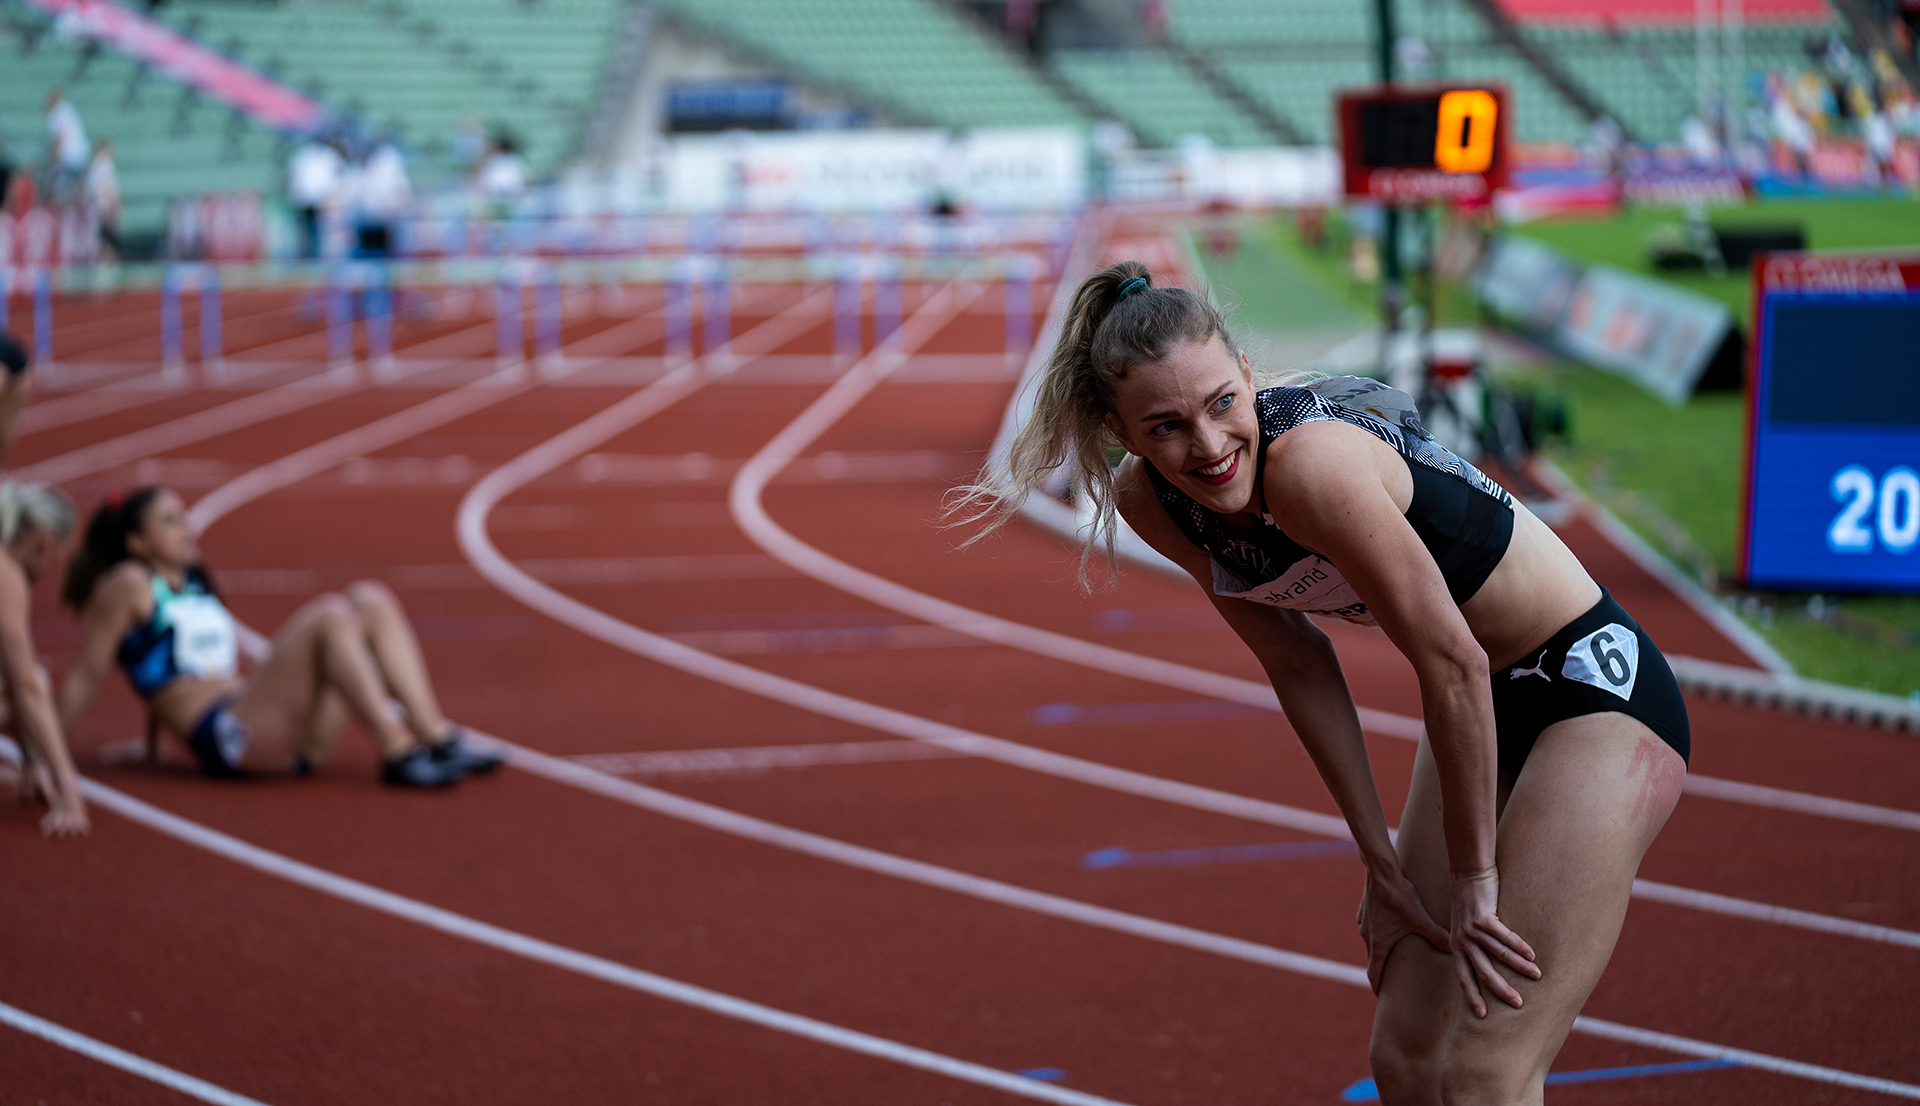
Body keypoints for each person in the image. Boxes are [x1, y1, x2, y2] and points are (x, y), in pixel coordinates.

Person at [957, 264, 1690, 1105]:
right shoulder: (1151, 503)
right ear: (1117, 430)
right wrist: (1379, 862)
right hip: (1483, 698)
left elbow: (1448, 661)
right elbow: (1297, 662)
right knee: (1406, 1054)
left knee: (1486, 1073)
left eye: (1222, 403)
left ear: (1245, 371)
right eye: (1164, 428)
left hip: (1593, 691)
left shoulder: (1312, 469)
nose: (1207, 446)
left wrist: (1473, 881)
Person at [58, 488, 501, 787]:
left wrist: (153, 747)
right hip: (234, 739)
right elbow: (89, 676)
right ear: (137, 542)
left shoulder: (191, 580)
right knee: (328, 615)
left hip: (274, 726)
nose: (188, 528)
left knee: (370, 599)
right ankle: (396, 749)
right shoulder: (126, 586)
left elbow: (168, 660)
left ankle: (435, 737)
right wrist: (41, 761)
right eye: (170, 521)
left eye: (185, 517)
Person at [0, 482, 86, 835]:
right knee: (35, 681)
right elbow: (27, 686)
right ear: (44, 542)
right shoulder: (7, 574)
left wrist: (33, 762)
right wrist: (69, 790)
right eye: (57, 559)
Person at [42, 88, 91, 207]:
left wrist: (52, 162)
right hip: (82, 155)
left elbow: (58, 140)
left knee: (61, 191)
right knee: (79, 191)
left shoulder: (57, 112)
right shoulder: (69, 109)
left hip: (69, 158)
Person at [84, 139, 121, 262]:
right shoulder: (105, 164)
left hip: (95, 210)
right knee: (105, 244)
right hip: (103, 210)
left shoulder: (93, 166)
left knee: (97, 242)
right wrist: (114, 207)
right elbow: (108, 190)